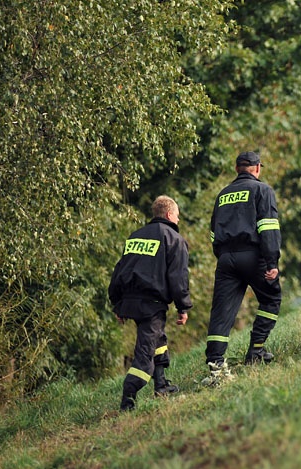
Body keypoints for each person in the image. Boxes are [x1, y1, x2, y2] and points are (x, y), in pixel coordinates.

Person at [204, 151, 282, 385]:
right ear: (257, 168)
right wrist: (272, 261)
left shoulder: (223, 194)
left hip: (226, 258)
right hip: (253, 255)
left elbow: (212, 233)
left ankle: (216, 365)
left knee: (221, 313)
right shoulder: (262, 190)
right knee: (271, 298)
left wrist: (224, 256)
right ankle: (256, 349)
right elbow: (268, 227)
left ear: (237, 168)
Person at [108, 195, 191, 411]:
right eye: (178, 216)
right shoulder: (174, 239)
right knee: (145, 352)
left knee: (157, 339)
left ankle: (161, 385)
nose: (178, 221)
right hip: (150, 304)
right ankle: (128, 397)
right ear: (169, 214)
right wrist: (183, 307)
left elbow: (119, 270)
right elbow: (178, 278)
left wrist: (117, 303)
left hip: (129, 301)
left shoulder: (136, 236)